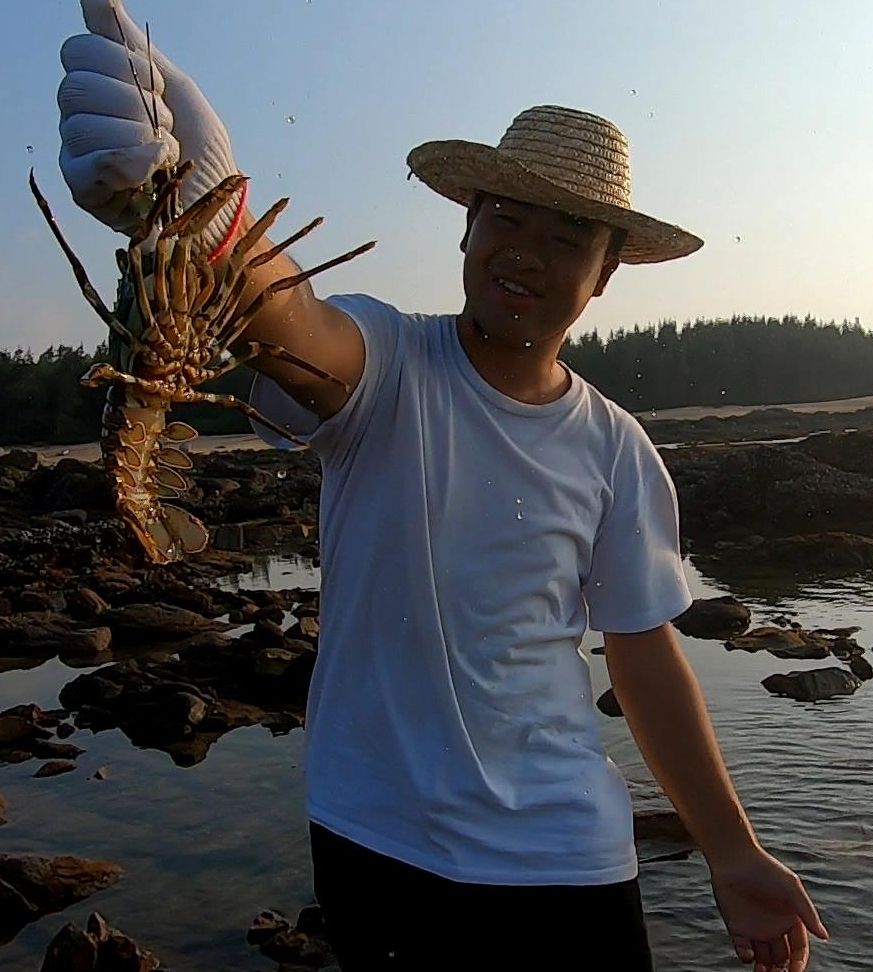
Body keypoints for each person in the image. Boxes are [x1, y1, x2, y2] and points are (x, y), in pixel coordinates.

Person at [57, 2, 828, 969]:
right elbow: (287, 318)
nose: (527, 253)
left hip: (569, 859)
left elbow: (646, 658)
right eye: (507, 217)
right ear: (466, 228)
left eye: (569, 236)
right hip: (378, 842)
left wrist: (733, 851)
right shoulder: (385, 365)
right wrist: (201, 212)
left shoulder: (616, 449)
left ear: (605, 274)